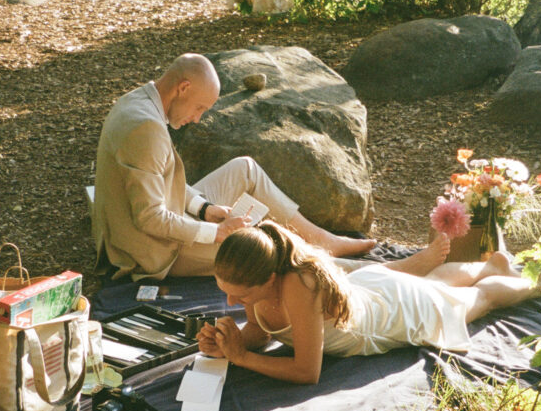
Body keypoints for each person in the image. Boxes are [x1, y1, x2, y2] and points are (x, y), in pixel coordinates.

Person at [93, 53, 450, 280]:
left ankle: (327, 241)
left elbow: (163, 179)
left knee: (245, 168)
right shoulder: (146, 129)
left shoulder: (142, 100)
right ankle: (389, 271)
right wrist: (214, 233)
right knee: (271, 249)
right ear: (183, 87)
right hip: (154, 252)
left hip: (167, 221)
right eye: (200, 108)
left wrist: (206, 209)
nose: (198, 120)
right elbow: (149, 218)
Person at [197, 221, 541, 384]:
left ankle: (534, 282)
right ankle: (490, 265)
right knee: (434, 284)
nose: (229, 301)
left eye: (238, 295)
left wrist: (242, 359)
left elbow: (307, 371)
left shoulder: (298, 284)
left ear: (269, 278)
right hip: (370, 289)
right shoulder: (259, 271)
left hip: (393, 314)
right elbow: (261, 329)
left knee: (477, 299)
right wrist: (234, 341)